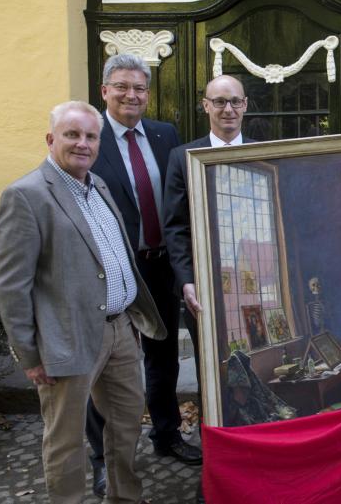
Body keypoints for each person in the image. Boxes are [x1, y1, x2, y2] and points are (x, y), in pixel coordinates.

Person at [0, 101, 166, 503]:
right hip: (65, 339)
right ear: (51, 139)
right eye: (72, 135)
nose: (82, 144)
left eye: (90, 136)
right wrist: (30, 356)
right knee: (65, 439)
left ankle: (125, 497)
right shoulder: (26, 196)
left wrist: (132, 317)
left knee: (126, 424)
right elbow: (10, 285)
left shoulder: (98, 185)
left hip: (120, 329)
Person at [84, 54, 199, 497]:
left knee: (163, 355)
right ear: (104, 91)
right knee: (104, 363)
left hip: (159, 264)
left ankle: (167, 435)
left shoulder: (164, 134)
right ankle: (103, 459)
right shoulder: (91, 138)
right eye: (122, 87)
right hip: (112, 269)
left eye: (139, 88)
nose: (131, 95)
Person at [164, 75, 253, 374]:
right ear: (205, 106)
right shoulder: (182, 158)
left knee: (256, 363)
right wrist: (187, 280)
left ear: (245, 106)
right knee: (212, 369)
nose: (228, 109)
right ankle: (211, 423)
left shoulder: (265, 152)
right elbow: (175, 227)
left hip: (254, 279)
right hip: (204, 285)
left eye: (235, 101)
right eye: (219, 101)